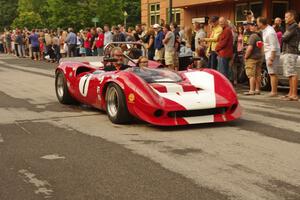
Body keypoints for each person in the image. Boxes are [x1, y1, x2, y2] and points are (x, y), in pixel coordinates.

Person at [257, 17, 281, 97]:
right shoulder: (265, 30)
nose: (257, 24)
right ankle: (273, 91)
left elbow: (273, 46)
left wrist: (271, 58)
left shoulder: (270, 32)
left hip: (272, 54)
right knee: (271, 73)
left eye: (257, 22)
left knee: (272, 73)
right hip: (268, 53)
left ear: (261, 23)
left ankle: (274, 92)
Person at [281, 10, 299, 101]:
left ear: (292, 17)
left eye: (287, 17)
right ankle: (290, 93)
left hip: (291, 51)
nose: (285, 19)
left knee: (292, 73)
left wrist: (283, 36)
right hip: (288, 51)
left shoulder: (294, 26)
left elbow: (284, 37)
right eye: (285, 17)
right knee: (289, 73)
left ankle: (294, 95)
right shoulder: (290, 26)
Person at [243, 21, 263, 95]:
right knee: (258, 74)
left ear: (255, 27)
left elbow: (250, 48)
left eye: (252, 25)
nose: (250, 27)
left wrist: (246, 56)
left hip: (252, 57)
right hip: (258, 57)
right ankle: (257, 89)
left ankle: (251, 90)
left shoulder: (253, 36)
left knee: (251, 74)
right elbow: (261, 47)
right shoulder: (260, 36)